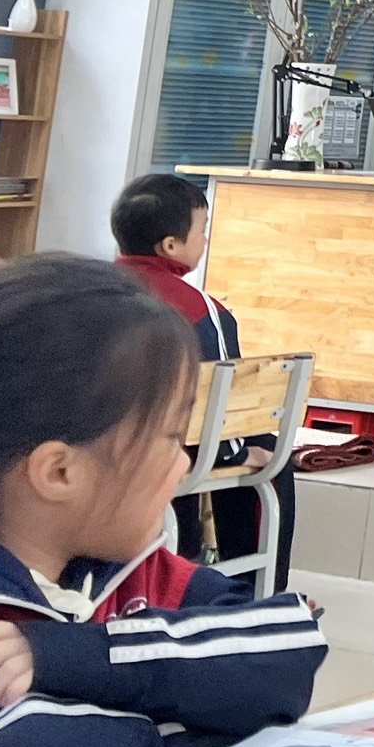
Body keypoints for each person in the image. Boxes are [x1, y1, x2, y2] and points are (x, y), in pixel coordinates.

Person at [0, 256, 324, 747]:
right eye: (171, 436)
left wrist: (88, 657)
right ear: (60, 472)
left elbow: (287, 652)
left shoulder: (138, 574)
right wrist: (174, 727)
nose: (184, 464)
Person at [110, 174, 294, 591]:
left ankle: (187, 555)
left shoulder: (82, 291)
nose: (206, 240)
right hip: (165, 452)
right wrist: (239, 453)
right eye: (202, 230)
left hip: (83, 441)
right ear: (170, 246)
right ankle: (255, 592)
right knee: (266, 453)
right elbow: (222, 409)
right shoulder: (201, 311)